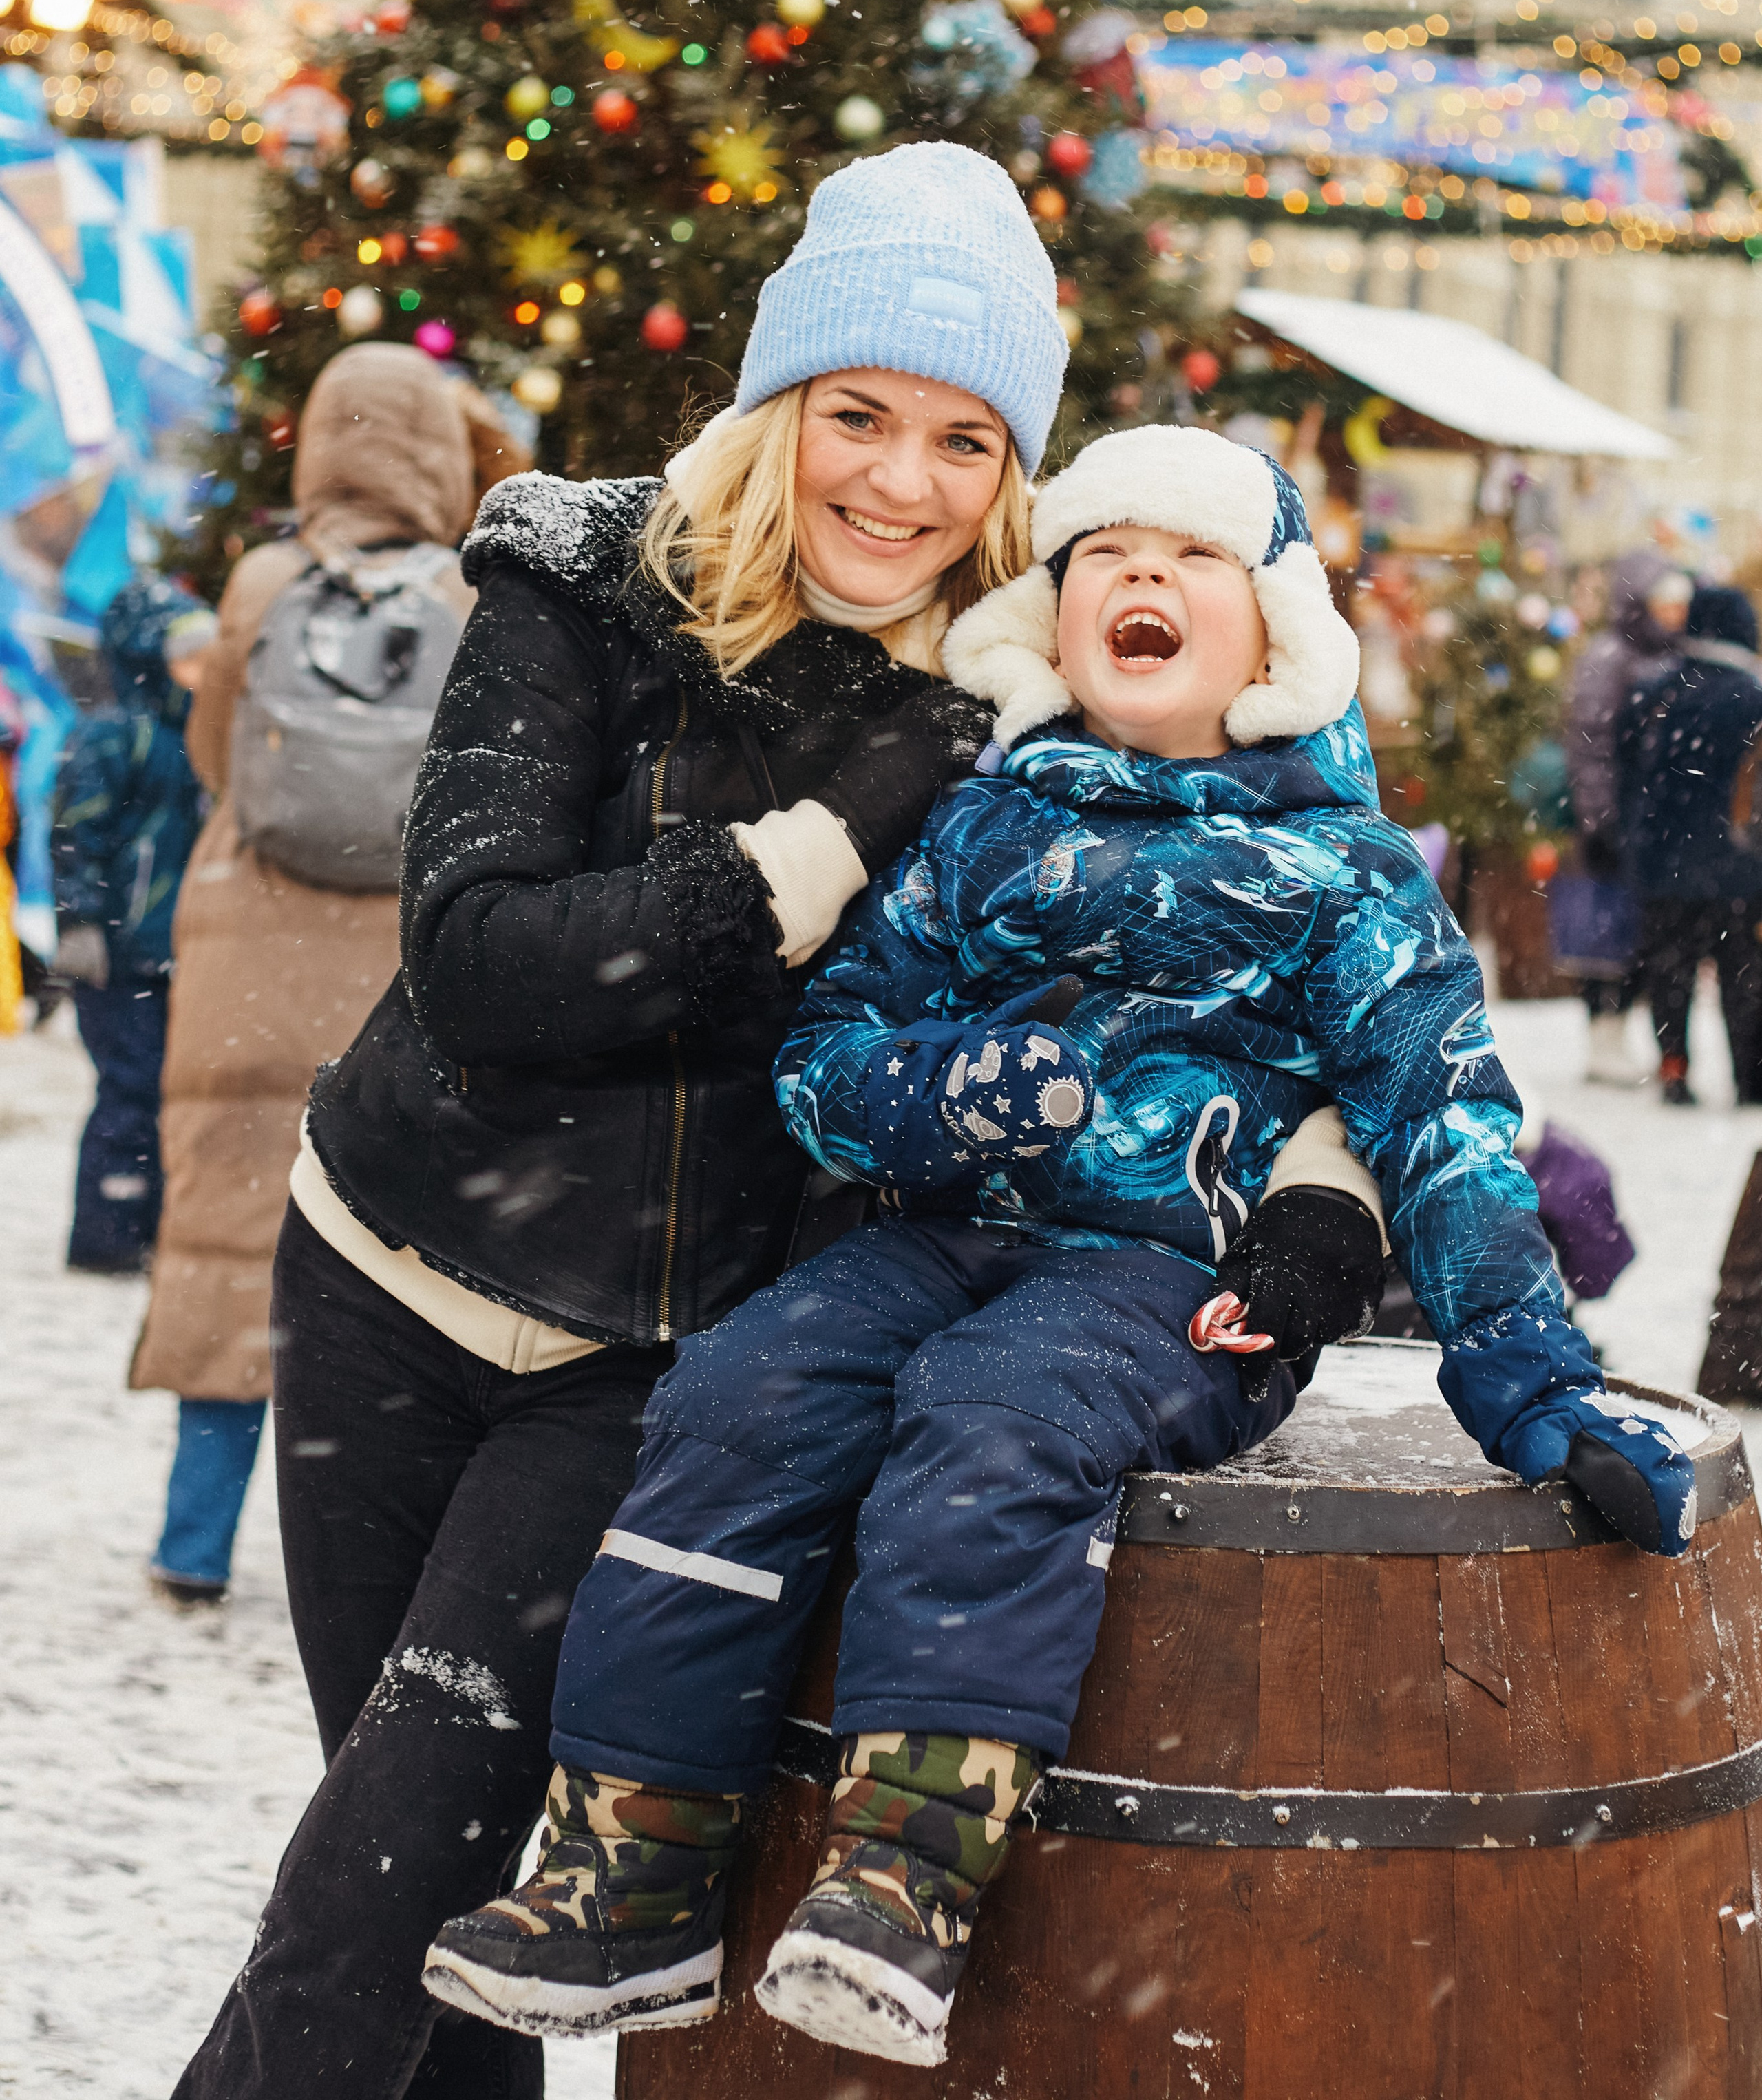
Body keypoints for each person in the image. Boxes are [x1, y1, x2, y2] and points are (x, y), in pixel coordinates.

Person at [425, 424, 1695, 2071]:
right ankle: (632, 1866)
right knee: (739, 1391)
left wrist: (1534, 1385)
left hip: (1171, 1280)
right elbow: (822, 1056)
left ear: (1272, 634)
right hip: (942, 1234)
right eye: (1105, 552)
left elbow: (1440, 1122)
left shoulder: (1340, 873)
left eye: (1191, 557)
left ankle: (904, 1871)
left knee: (997, 1412)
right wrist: (938, 1094)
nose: (1142, 574)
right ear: (1052, 609)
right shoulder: (978, 828)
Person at [172, 141, 1084, 2100]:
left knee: (373, 1904)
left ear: (1015, 476)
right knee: (419, 1896)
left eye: (964, 440)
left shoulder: (1017, 723)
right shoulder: (581, 583)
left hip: (642, 1370)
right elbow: (483, 962)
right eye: (857, 414)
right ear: (779, 406)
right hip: (383, 1277)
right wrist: (814, 848)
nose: (900, 484)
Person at [131, 343, 518, 1606]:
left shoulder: (259, 581)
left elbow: (217, 754)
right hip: (388, 963)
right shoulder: (473, 595)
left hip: (246, 943)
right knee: (374, 1258)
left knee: (223, 1245)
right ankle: (367, 1558)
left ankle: (193, 1543)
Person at [50, 576, 217, 1272]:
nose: (199, 669)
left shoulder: (199, 736)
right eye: (185, 655)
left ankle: (151, 1223)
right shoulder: (115, 734)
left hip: (180, 951)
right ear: (148, 657)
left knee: (170, 1092)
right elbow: (75, 834)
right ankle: (108, 1233)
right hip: (120, 953)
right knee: (131, 1086)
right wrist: (81, 921)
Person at [1618, 582, 1762, 1107]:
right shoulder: (1754, 698)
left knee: (1671, 973)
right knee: (1744, 976)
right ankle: (1750, 1077)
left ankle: (1674, 1070)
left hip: (1665, 865)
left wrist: (1634, 843)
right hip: (1741, 867)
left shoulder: (1655, 694)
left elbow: (1628, 779)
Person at [1562, 551, 1692, 1083]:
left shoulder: (1673, 656)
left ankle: (1618, 1032)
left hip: (1653, 824)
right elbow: (1590, 747)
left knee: (1641, 933)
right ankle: (1603, 1034)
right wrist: (1601, 819)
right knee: (1606, 929)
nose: (1675, 613)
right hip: (1619, 821)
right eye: (1665, 602)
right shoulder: (1611, 657)